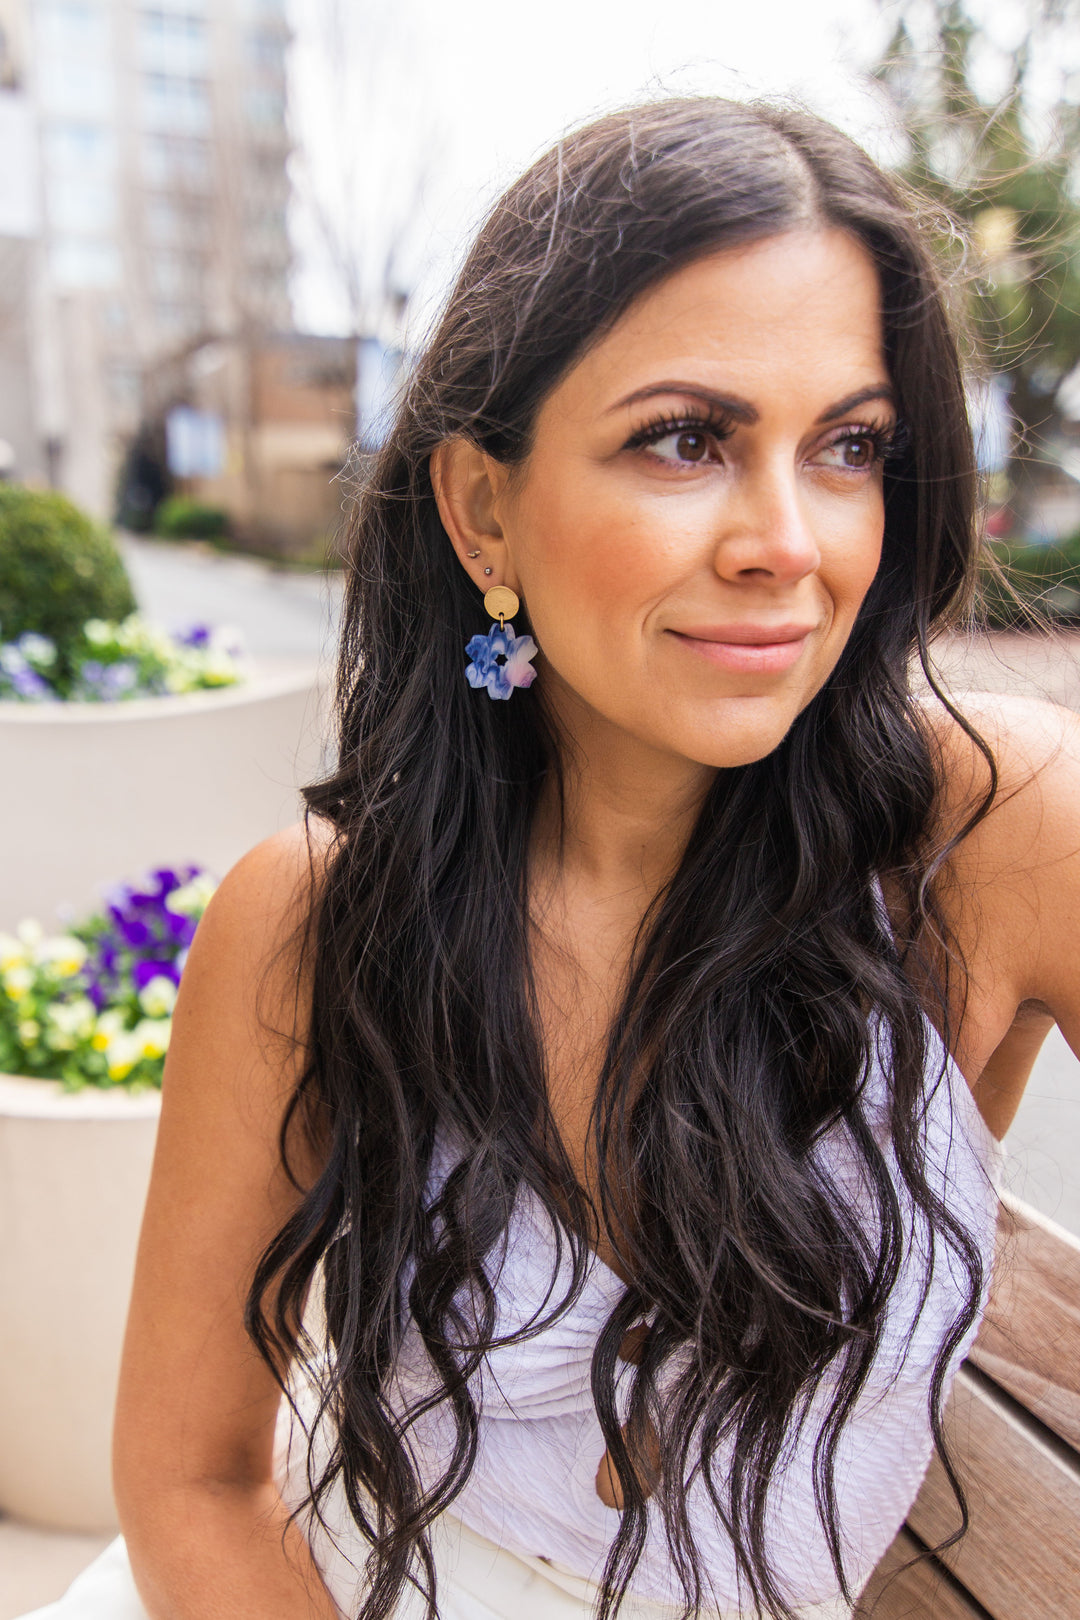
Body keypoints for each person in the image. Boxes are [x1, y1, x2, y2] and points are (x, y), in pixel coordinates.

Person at [24, 96, 1079, 1620]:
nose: (787, 538)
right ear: (482, 511)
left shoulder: (980, 839)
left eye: (848, 445)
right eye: (685, 440)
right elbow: (194, 1483)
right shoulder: (318, 924)